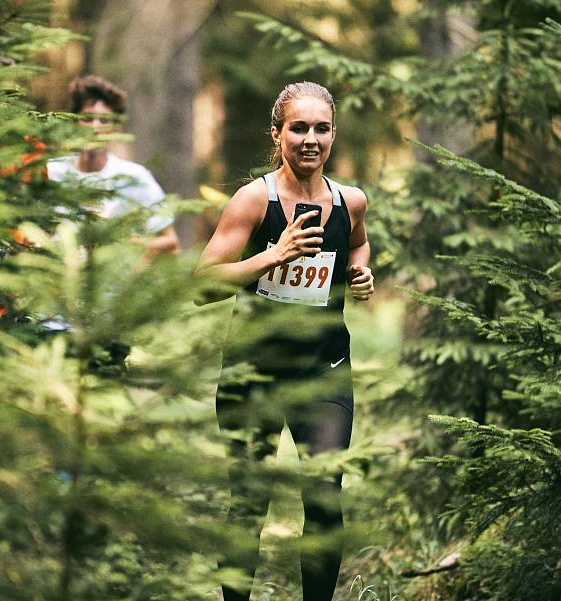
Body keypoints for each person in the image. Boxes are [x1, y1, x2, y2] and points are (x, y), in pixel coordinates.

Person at [195, 81, 374, 601]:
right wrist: (272, 256)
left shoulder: (351, 201)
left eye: (321, 129)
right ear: (278, 135)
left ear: (333, 135)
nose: (310, 139)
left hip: (325, 369)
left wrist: (360, 274)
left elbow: (358, 246)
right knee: (249, 502)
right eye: (298, 128)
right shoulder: (254, 200)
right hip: (255, 370)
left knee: (323, 498)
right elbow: (200, 286)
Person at [47, 74, 179, 258]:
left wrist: (126, 243)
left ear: (116, 127)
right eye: (87, 118)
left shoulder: (134, 177)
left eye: (104, 120)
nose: (95, 127)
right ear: (74, 122)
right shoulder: (51, 172)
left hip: (113, 283)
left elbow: (170, 242)